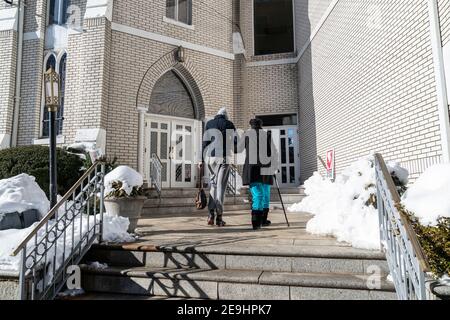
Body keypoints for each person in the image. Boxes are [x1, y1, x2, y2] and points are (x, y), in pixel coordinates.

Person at [201, 107, 237, 227]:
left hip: (210, 158)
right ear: (226, 116)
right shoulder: (229, 124)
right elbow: (235, 143)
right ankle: (219, 217)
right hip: (224, 157)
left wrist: (201, 159)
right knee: (221, 187)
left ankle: (211, 214)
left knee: (213, 185)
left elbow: (204, 143)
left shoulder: (209, 123)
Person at [242, 118, 276, 230]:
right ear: (261, 125)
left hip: (253, 169)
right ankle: (263, 220)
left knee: (258, 196)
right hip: (266, 169)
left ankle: (256, 223)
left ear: (251, 125)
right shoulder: (267, 135)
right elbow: (273, 152)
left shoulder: (247, 135)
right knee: (265, 195)